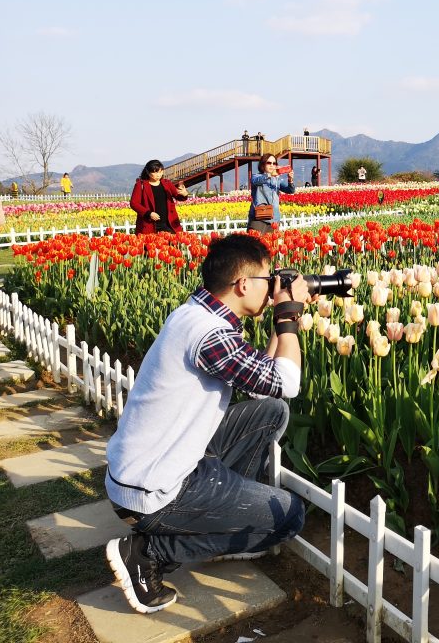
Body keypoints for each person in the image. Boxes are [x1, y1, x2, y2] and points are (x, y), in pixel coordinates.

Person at [104, 233, 311, 613]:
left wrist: (277, 324)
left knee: (270, 413)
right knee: (290, 516)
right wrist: (288, 318)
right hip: (154, 489)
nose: (273, 290)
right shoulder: (209, 335)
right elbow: (289, 383)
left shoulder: (196, 313)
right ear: (243, 284)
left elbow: (267, 392)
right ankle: (150, 553)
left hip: (157, 461)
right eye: (268, 281)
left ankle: (227, 520)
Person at [130, 160, 189, 234]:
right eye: (155, 172)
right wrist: (149, 213)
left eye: (160, 172)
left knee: (172, 244)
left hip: (168, 224)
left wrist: (184, 194)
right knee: (151, 244)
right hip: (149, 224)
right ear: (148, 172)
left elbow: (178, 196)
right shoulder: (140, 185)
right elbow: (134, 203)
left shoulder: (167, 183)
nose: (158, 174)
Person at [248, 153, 295, 233]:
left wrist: (290, 180)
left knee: (272, 245)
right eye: (269, 163)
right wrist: (269, 175)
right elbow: (254, 181)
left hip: (274, 219)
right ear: (263, 165)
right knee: (255, 244)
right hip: (259, 218)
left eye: (274, 163)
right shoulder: (256, 176)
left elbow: (290, 190)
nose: (272, 165)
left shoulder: (277, 180)